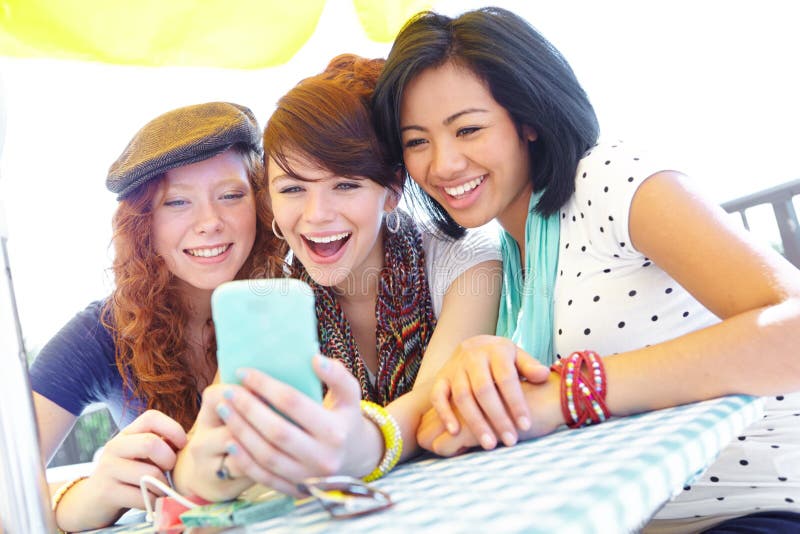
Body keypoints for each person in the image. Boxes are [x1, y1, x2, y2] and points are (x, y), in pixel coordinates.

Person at [371, 6, 800, 532]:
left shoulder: (608, 179)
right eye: (417, 141)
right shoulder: (506, 253)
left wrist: (566, 391)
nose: (442, 164)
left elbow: (794, 328)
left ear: (527, 119)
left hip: (757, 506)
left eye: (468, 129)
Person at [173, 54, 502, 501]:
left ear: (392, 190)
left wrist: (359, 444)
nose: (317, 216)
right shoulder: (276, 301)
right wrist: (210, 471)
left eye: (345, 185)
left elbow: (433, 406)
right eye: (292, 189)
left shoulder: (465, 261)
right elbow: (199, 458)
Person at [28, 101, 283, 532]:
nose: (210, 223)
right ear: (143, 223)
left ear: (260, 202)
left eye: (231, 195)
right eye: (177, 202)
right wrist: (83, 497)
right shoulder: (100, 333)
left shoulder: (294, 301)